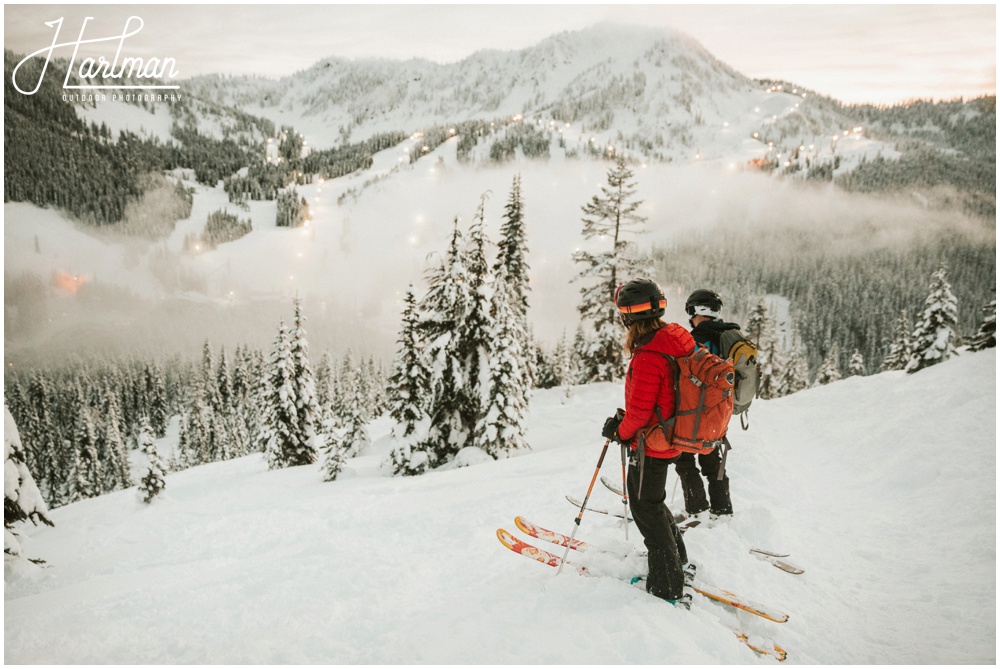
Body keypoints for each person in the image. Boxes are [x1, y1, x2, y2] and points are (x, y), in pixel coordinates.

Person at [601, 278, 695, 608]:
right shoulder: (674, 338)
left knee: (645, 508)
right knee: (652, 502)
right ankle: (678, 560)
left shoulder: (648, 355)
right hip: (673, 435)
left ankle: (667, 584)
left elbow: (640, 414)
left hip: (654, 443)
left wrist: (620, 432)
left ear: (628, 316)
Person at [673, 289, 738, 519]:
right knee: (712, 460)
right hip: (721, 412)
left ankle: (697, 509)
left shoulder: (697, 340)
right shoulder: (728, 335)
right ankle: (722, 509)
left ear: (694, 310)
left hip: (697, 411)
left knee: (684, 458)